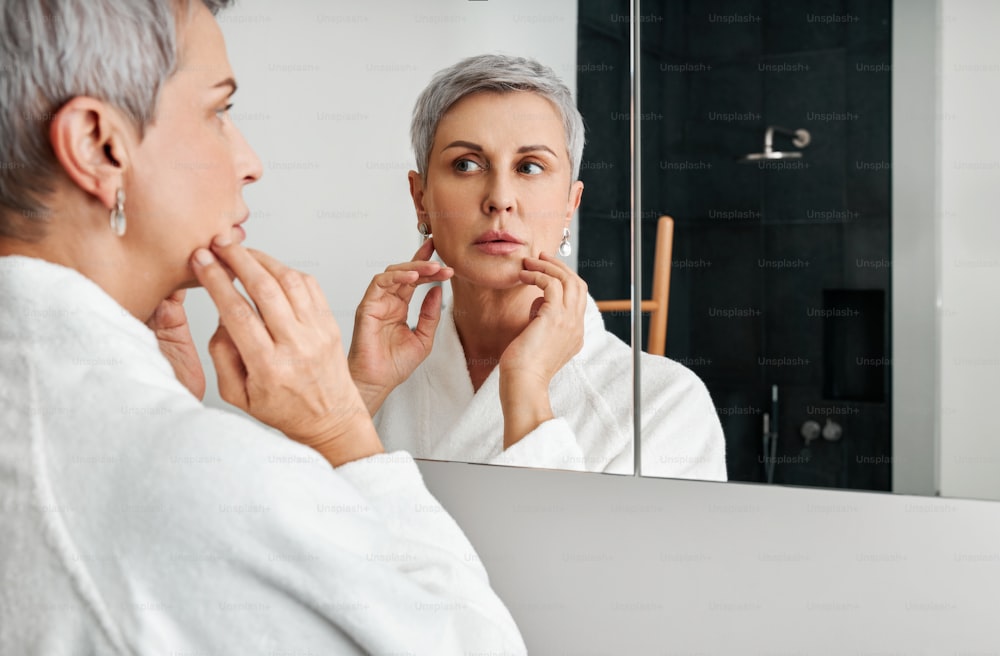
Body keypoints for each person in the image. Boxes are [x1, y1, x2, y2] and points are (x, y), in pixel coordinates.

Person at [0, 2, 525, 653]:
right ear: (97, 145)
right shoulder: (197, 479)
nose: (250, 161)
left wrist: (164, 407)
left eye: (531, 166)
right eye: (219, 112)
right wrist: (341, 429)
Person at [348, 54, 727, 480]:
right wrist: (359, 392)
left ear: (570, 204)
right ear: (421, 199)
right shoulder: (378, 380)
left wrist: (526, 386)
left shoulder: (663, 404)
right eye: (466, 165)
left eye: (530, 167)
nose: (500, 198)